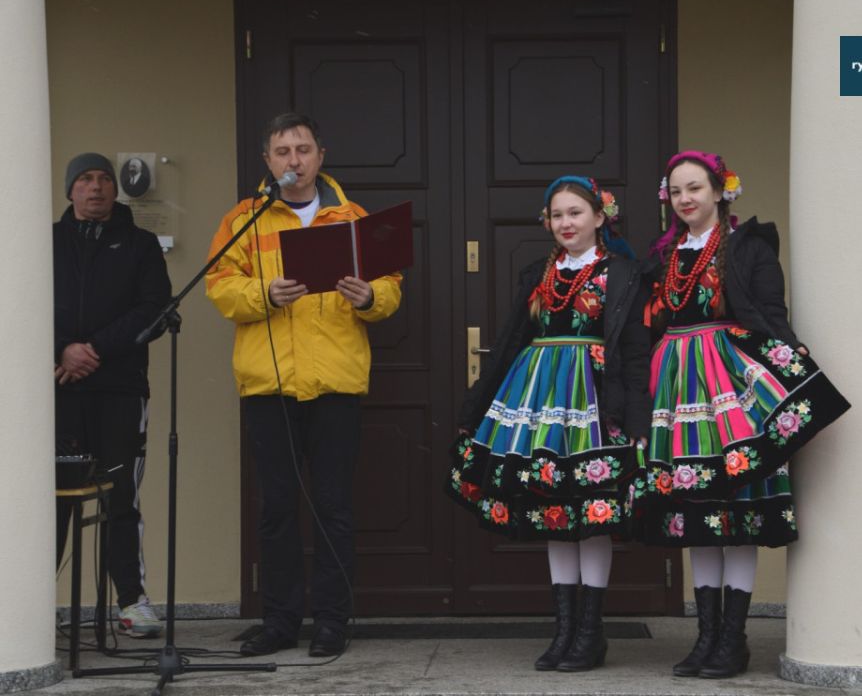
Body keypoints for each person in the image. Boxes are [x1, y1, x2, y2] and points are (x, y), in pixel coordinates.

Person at [640, 151, 850, 678]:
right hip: (677, 386)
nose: (685, 199)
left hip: (728, 385)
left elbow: (771, 311)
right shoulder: (663, 257)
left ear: (719, 191)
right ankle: (706, 639)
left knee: (737, 509)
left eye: (695, 188)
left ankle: (733, 641)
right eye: (676, 191)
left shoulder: (747, 246)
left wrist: (791, 357)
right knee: (697, 510)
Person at [205, 112, 402, 658]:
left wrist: (370, 297)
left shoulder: (354, 217)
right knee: (277, 508)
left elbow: (390, 285)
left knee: (334, 506)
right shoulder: (244, 219)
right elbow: (219, 286)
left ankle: (333, 622)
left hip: (336, 383)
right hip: (269, 385)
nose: (294, 160)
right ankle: (280, 622)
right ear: (267, 161)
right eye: (283, 151)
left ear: (320, 156)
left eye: (303, 149)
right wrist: (264, 294)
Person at [448, 176, 651, 672]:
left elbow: (635, 351)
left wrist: (637, 418)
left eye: (575, 213)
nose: (566, 223)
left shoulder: (624, 274)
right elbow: (510, 341)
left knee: (592, 513)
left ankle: (591, 633)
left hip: (595, 403)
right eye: (557, 215)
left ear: (599, 217)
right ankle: (565, 631)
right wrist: (473, 412)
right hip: (538, 402)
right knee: (555, 512)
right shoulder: (537, 274)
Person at [54, 152, 172, 637]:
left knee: (120, 496)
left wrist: (94, 349)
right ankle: (30, 608)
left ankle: (131, 601)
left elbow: (155, 309)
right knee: (52, 500)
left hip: (121, 391)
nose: (96, 187)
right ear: (70, 190)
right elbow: (15, 303)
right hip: (58, 392)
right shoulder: (45, 241)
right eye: (85, 179)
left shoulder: (140, 245)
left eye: (104, 178)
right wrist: (62, 350)